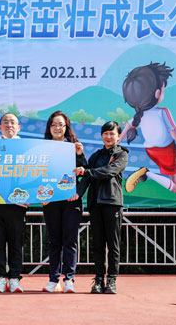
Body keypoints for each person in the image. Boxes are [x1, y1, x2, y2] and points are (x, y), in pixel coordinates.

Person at [119, 63, 176, 208]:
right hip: (167, 151)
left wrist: (117, 142)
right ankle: (147, 173)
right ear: (157, 93)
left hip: (152, 151)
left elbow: (127, 126)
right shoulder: (163, 112)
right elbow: (173, 134)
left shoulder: (140, 115)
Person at [75, 121, 128, 294]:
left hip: (112, 203)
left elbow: (109, 171)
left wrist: (86, 172)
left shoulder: (122, 154)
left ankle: (111, 280)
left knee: (113, 245)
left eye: (112, 134)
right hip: (95, 205)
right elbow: (86, 177)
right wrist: (77, 194)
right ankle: (98, 280)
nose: (108, 137)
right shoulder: (96, 156)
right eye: (105, 133)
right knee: (98, 244)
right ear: (101, 136)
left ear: (118, 136)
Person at [41, 110, 87, 293]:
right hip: (51, 201)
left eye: (61, 124)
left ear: (67, 127)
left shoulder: (73, 147)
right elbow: (36, 173)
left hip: (70, 201)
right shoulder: (42, 148)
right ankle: (53, 280)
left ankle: (69, 279)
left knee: (70, 241)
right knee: (55, 241)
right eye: (54, 124)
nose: (57, 128)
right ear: (49, 127)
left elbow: (85, 173)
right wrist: (40, 196)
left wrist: (78, 193)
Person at [0, 113, 27, 293]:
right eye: (5, 122)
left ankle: (15, 278)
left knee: (16, 242)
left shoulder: (27, 148)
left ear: (18, 127)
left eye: (13, 122)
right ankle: (0, 277)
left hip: (18, 203)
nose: (9, 125)